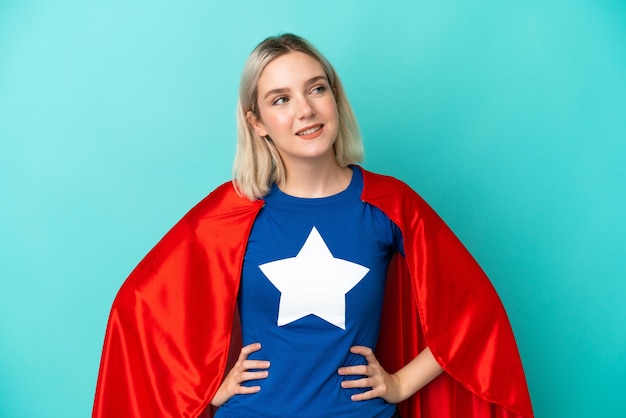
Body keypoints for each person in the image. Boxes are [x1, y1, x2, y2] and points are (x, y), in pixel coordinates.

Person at [93, 34, 533, 418]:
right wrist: (207, 389)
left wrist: (400, 384)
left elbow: (473, 313)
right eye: (280, 99)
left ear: (334, 98)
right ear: (257, 122)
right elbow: (140, 313)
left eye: (316, 89)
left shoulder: (389, 204)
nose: (305, 110)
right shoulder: (232, 211)